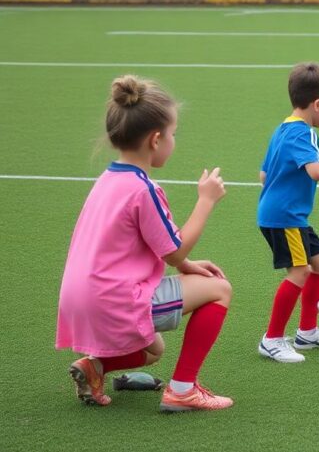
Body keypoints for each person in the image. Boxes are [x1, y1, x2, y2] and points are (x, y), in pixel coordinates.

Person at [56, 75, 233, 412]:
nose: (173, 140)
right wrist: (206, 200)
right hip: (114, 300)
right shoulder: (143, 189)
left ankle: (95, 366)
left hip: (80, 298)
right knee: (220, 289)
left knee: (154, 350)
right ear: (155, 139)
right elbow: (175, 247)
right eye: (173, 134)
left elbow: (157, 248)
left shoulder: (108, 179)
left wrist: (185, 268)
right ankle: (183, 390)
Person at [257, 63, 319, 363]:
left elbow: (262, 174)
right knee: (300, 271)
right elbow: (316, 172)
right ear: (317, 104)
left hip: (286, 214)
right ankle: (271, 340)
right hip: (285, 217)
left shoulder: (282, 129)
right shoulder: (304, 134)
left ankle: (307, 332)